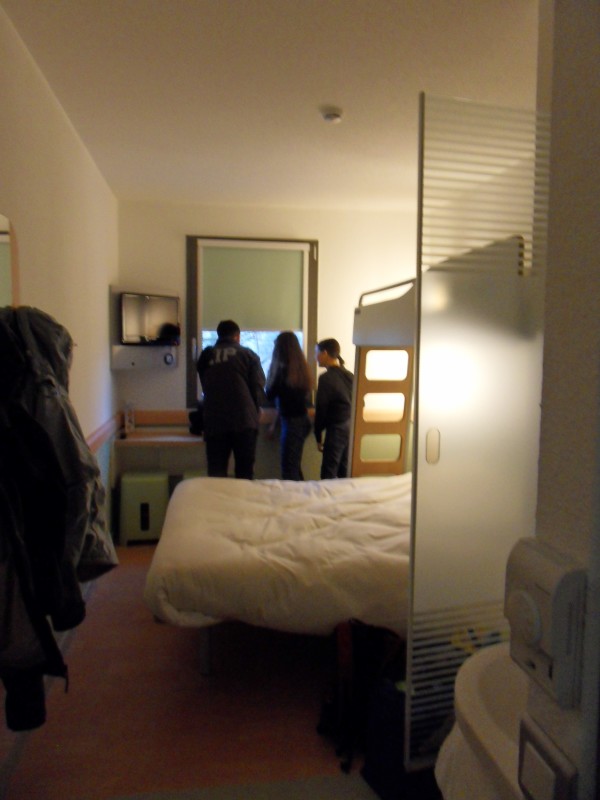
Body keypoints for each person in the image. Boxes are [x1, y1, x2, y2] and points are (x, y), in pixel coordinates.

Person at [197, 319, 266, 479]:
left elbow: (206, 385)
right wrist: (256, 410)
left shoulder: (206, 355)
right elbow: (257, 388)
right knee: (244, 472)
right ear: (238, 336)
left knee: (216, 472)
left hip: (215, 420)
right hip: (244, 420)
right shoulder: (248, 355)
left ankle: (219, 496)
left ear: (219, 335)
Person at [265, 331, 314, 480]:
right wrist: (274, 424)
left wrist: (271, 372)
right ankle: (301, 492)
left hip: (292, 424)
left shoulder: (281, 371)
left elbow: (270, 394)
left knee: (289, 469)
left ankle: (294, 494)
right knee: (294, 465)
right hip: (302, 420)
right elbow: (288, 401)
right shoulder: (301, 369)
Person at [314, 338, 354, 479]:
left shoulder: (326, 378)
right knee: (344, 469)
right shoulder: (350, 376)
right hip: (351, 426)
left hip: (337, 427)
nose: (316, 357)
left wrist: (318, 435)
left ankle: (327, 494)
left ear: (325, 353)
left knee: (329, 471)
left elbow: (321, 408)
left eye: (317, 353)